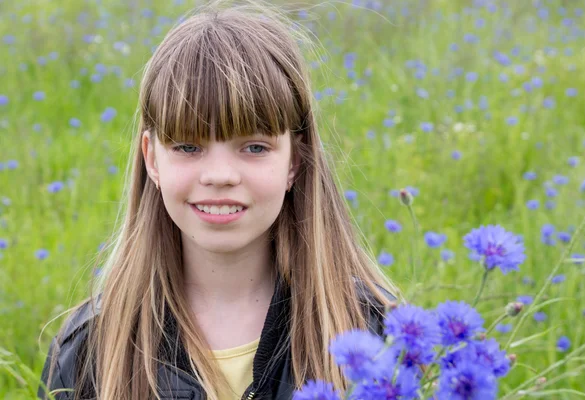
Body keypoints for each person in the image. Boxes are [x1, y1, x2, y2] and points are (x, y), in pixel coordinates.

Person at [38, 0, 400, 398]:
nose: (220, 176)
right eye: (189, 147)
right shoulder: (89, 348)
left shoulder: (377, 333)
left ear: (294, 160)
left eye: (255, 147)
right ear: (152, 158)